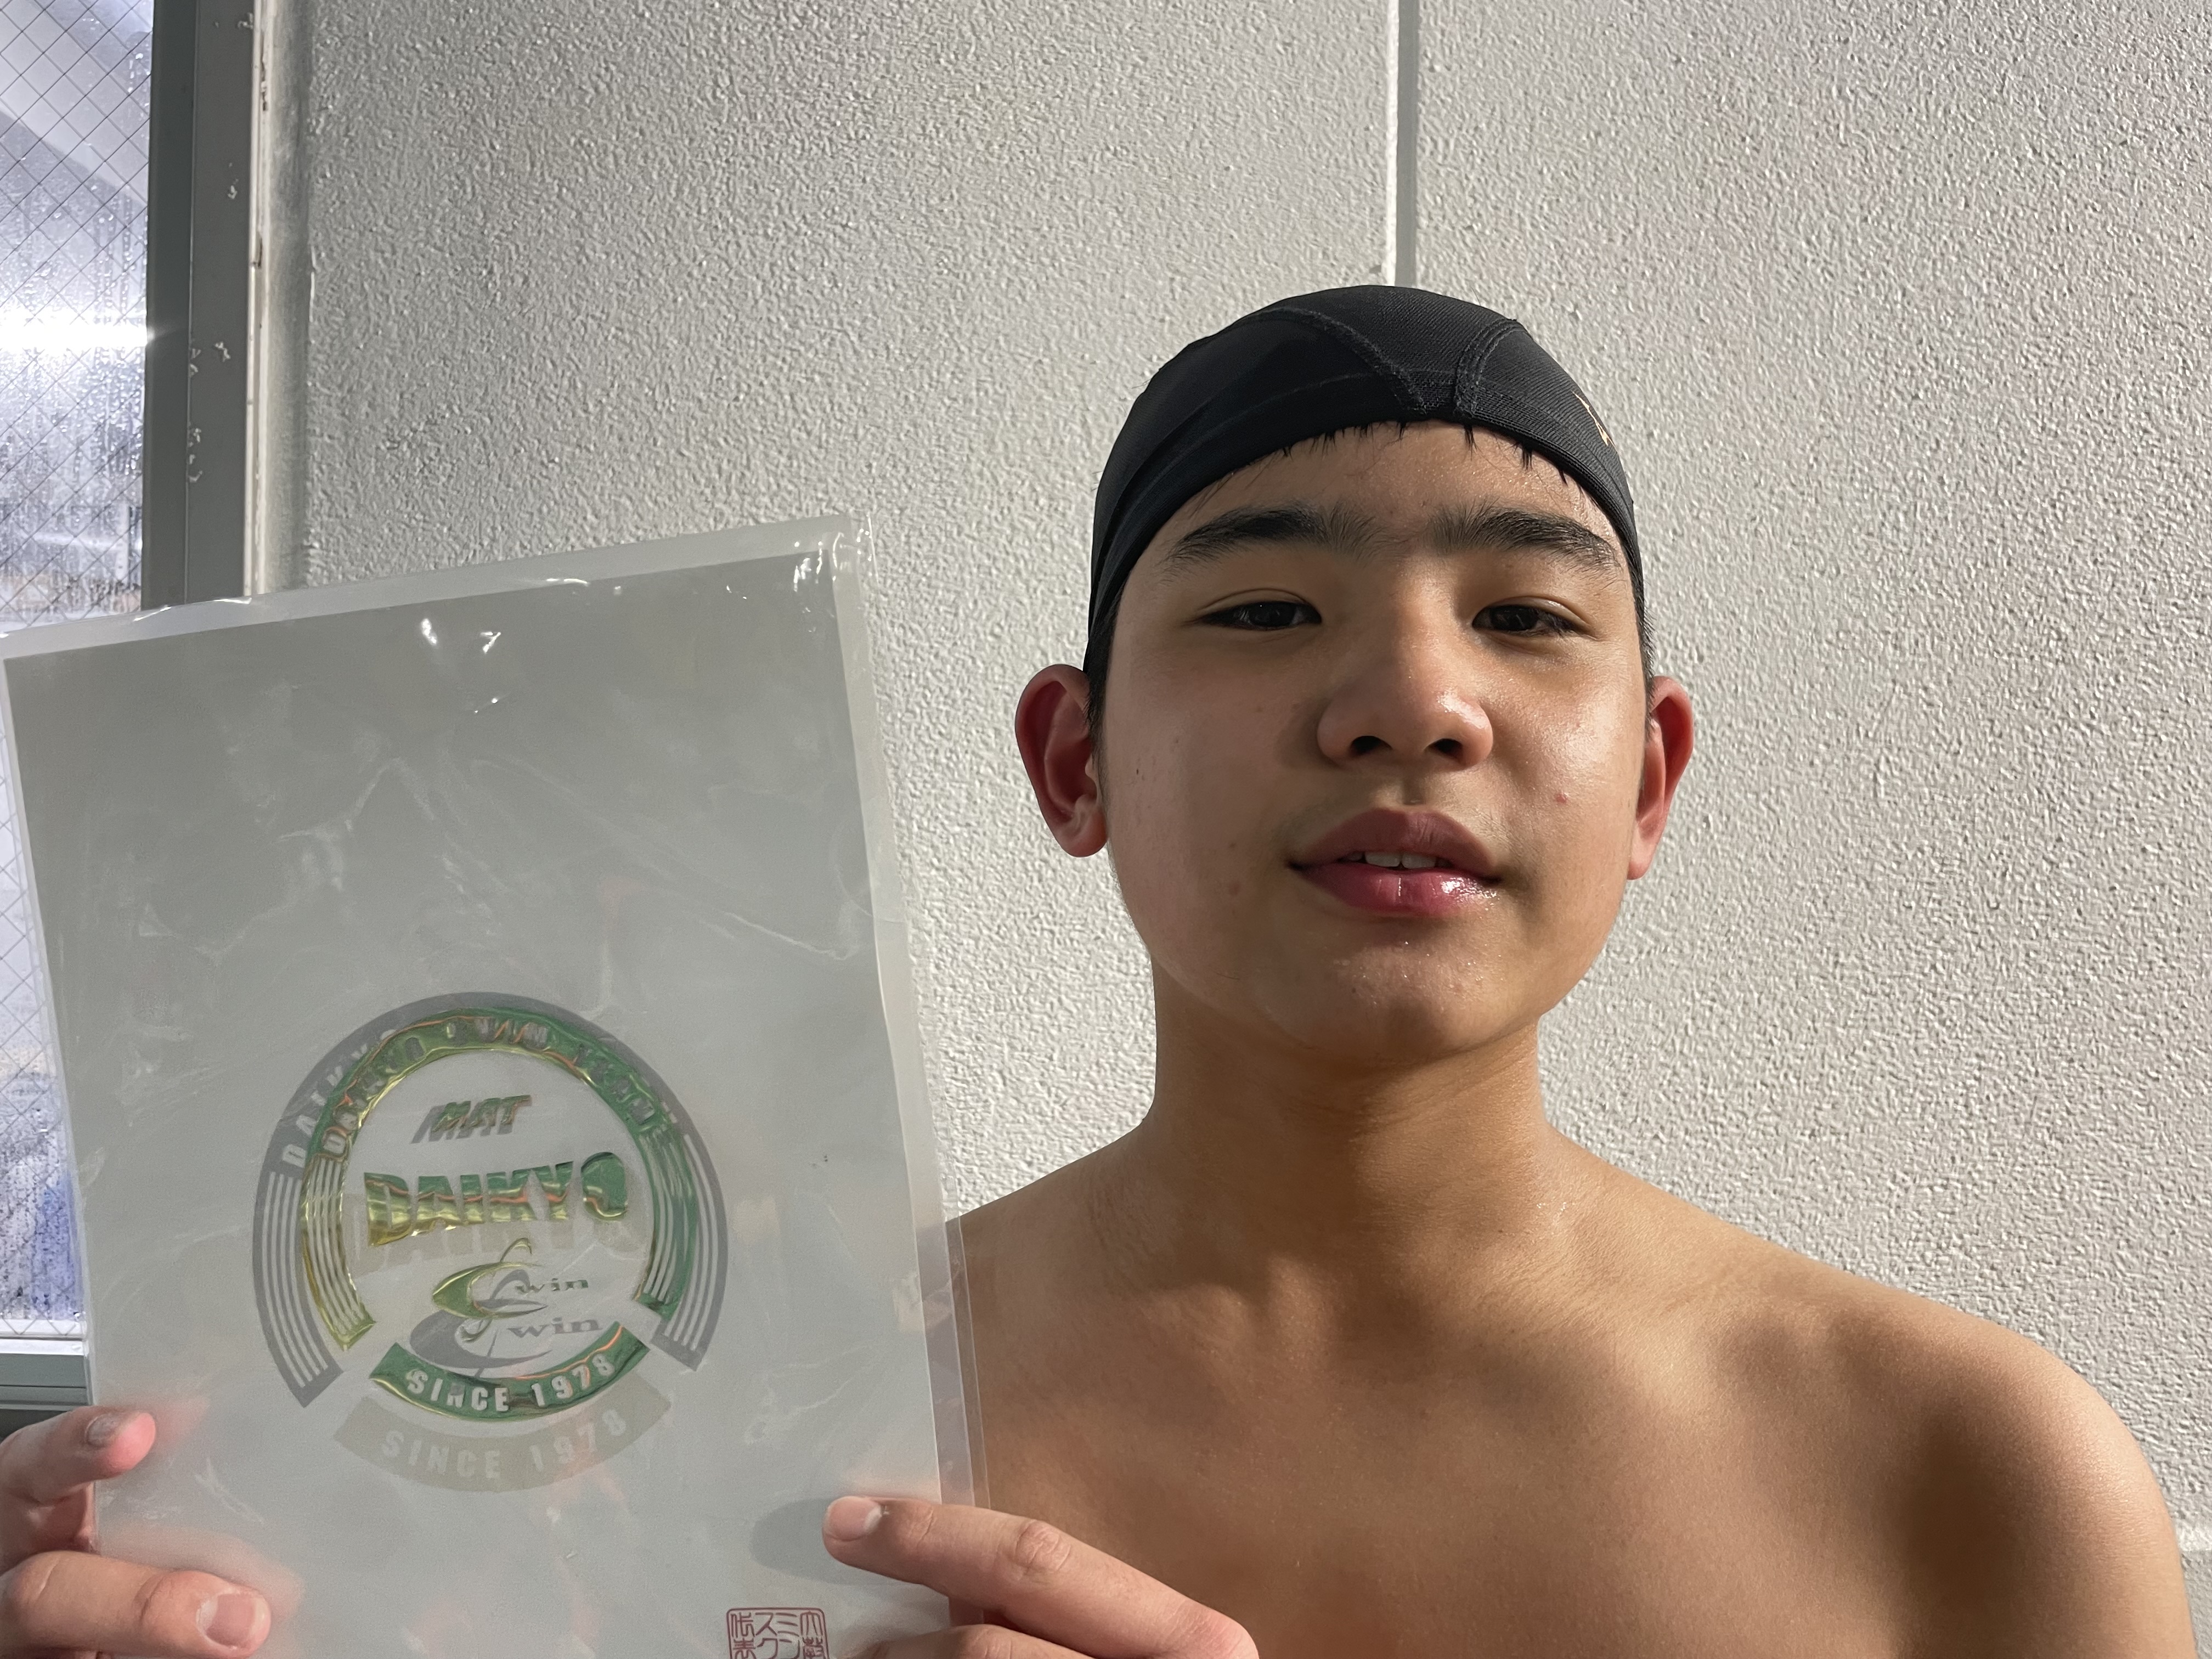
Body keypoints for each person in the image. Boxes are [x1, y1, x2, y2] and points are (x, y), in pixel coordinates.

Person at [0, 287, 2194, 1658]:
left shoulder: (1974, 1472)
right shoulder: (732, 1433)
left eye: (1527, 617)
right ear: (1074, 759)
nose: (1408, 702)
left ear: (1653, 776)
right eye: (1263, 612)